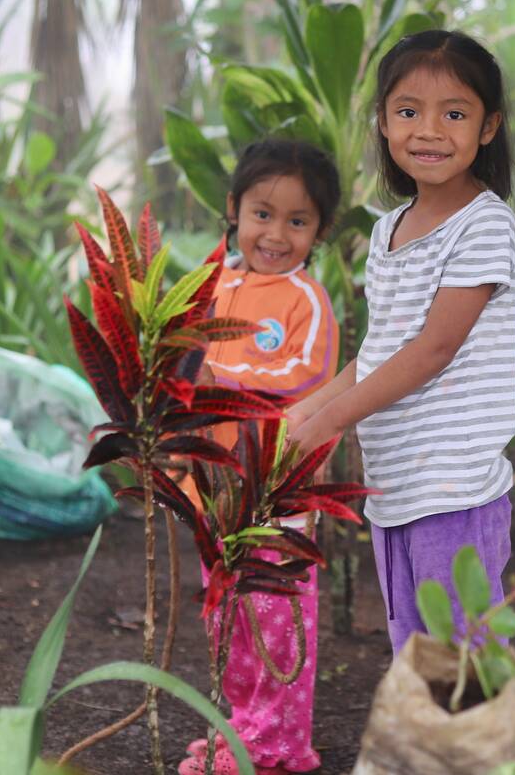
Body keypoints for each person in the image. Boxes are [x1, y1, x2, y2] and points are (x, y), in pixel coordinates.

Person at [286, 30, 515, 655]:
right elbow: (381, 351)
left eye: (455, 113)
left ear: (488, 127)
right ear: (384, 122)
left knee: (463, 654)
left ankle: (489, 754)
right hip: (396, 487)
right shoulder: (389, 229)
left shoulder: (485, 224)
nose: (429, 130)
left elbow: (432, 350)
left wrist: (329, 423)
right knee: (417, 654)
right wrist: (305, 411)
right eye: (408, 111)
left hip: (454, 487)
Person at [180, 138, 341, 775]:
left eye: (297, 221)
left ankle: (278, 748)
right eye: (262, 214)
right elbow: (180, 354)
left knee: (277, 618)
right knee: (229, 619)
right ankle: (240, 730)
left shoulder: (307, 300)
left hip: (277, 493)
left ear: (319, 230)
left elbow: (305, 374)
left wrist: (214, 369)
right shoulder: (212, 282)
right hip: (213, 488)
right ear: (234, 209)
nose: (276, 234)